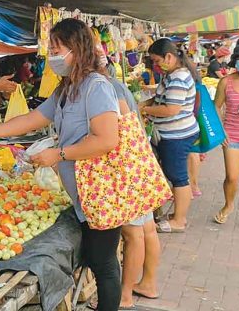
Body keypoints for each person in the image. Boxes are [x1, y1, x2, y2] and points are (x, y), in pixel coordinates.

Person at [0, 18, 122, 311]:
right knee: (97, 258)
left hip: (103, 193)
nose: (53, 54)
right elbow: (32, 119)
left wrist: (59, 155)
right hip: (83, 195)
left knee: (104, 263)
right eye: (51, 47)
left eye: (57, 48)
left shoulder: (96, 87)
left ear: (77, 48)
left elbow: (107, 140)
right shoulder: (67, 89)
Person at [98, 53, 161, 308]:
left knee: (133, 233)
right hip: (139, 162)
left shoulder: (106, 88)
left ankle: (125, 295)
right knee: (147, 229)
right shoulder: (115, 84)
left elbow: (120, 126)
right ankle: (148, 283)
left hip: (127, 168)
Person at [141, 38, 200, 233]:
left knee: (178, 177)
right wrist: (145, 104)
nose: (156, 65)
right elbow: (160, 98)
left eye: (157, 61)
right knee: (175, 174)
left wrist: (146, 111)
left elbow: (171, 109)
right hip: (173, 134)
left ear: (169, 56)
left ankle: (179, 221)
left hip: (177, 136)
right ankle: (176, 215)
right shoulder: (171, 74)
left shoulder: (178, 78)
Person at [213, 45, 239, 224]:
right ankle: (228, 205)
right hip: (231, 134)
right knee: (232, 176)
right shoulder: (226, 82)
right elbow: (216, 106)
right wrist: (220, 130)